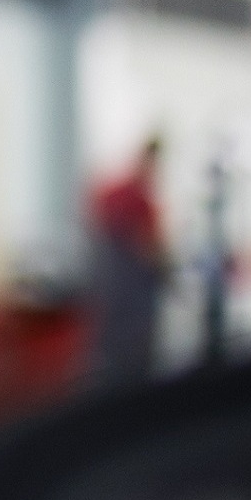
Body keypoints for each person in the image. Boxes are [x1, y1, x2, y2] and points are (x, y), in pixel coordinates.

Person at [87, 136, 169, 386]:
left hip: (120, 290)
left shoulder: (123, 194)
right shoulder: (130, 196)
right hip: (128, 291)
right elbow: (145, 244)